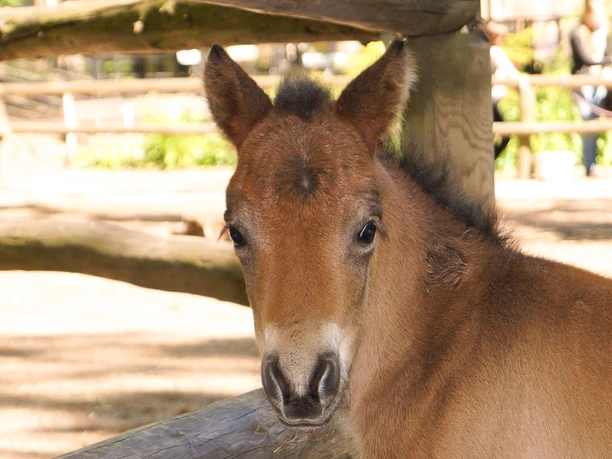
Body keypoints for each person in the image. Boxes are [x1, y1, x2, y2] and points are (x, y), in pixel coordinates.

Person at [570, 0, 611, 177]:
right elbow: (585, 59)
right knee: (588, 119)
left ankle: (591, 164)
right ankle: (589, 165)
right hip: (584, 80)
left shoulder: (602, 35)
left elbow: (608, 55)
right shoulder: (577, 33)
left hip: (601, 80)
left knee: (594, 120)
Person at [485, 21, 520, 159]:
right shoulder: (495, 52)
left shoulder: (487, 51)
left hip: (490, 101)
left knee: (491, 134)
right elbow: (510, 72)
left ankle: (488, 162)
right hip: (490, 101)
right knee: (503, 134)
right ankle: (488, 162)